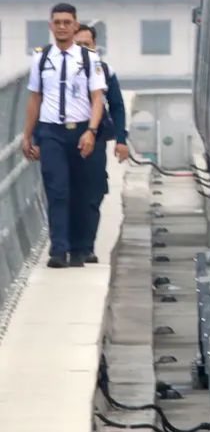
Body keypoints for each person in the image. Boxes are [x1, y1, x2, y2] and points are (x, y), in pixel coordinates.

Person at [22, 3, 107, 268]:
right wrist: (27, 135)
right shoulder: (41, 58)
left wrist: (91, 131)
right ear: (50, 25)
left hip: (80, 130)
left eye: (66, 22)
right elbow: (35, 97)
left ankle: (81, 248)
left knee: (81, 192)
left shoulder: (89, 59)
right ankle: (59, 248)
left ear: (75, 25)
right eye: (57, 22)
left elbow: (97, 98)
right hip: (51, 133)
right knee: (57, 190)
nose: (61, 26)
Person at [75, 23, 129, 263]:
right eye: (79, 45)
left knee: (93, 193)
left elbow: (117, 106)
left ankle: (87, 247)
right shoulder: (56, 73)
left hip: (95, 141)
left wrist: (121, 140)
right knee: (66, 193)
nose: (84, 50)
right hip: (64, 140)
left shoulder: (105, 72)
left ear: (95, 47)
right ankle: (67, 245)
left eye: (87, 45)